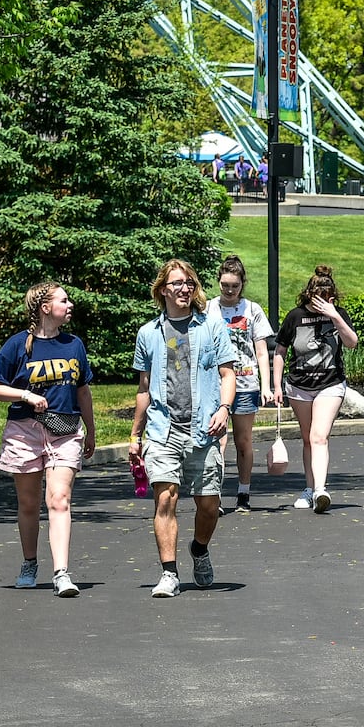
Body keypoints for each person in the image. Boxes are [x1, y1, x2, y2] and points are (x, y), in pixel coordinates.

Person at [128, 259, 236, 598]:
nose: (184, 288)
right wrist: (135, 434)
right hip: (163, 430)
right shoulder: (148, 334)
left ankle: (200, 548)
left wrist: (224, 408)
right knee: (165, 499)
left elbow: (228, 374)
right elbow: (144, 388)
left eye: (189, 282)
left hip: (204, 428)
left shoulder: (211, 327)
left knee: (208, 504)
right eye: (177, 283)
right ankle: (169, 574)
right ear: (163, 289)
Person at [0, 282, 96, 597]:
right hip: (25, 431)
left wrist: (90, 429)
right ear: (46, 307)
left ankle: (61, 572)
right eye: (64, 300)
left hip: (66, 431)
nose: (70, 303)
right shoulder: (18, 345)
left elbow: (83, 391)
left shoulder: (74, 345)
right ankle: (30, 562)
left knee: (59, 499)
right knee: (30, 503)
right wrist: (24, 394)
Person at [274, 265, 358, 513]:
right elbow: (280, 351)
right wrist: (276, 385)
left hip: (330, 384)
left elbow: (352, 343)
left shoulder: (338, 313)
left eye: (326, 298)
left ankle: (321, 490)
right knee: (308, 439)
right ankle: (309, 489)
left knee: (319, 436)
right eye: (316, 298)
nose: (320, 302)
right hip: (299, 385)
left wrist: (335, 316)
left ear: (332, 297)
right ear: (309, 294)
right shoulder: (295, 316)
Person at [206, 255, 275, 511]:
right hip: (217, 384)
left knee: (243, 441)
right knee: (218, 440)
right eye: (225, 285)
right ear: (219, 282)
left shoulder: (252, 309)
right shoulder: (208, 308)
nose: (229, 290)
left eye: (234, 285)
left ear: (242, 284)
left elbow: (260, 351)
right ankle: (215, 494)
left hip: (246, 383)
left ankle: (243, 491)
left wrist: (266, 386)